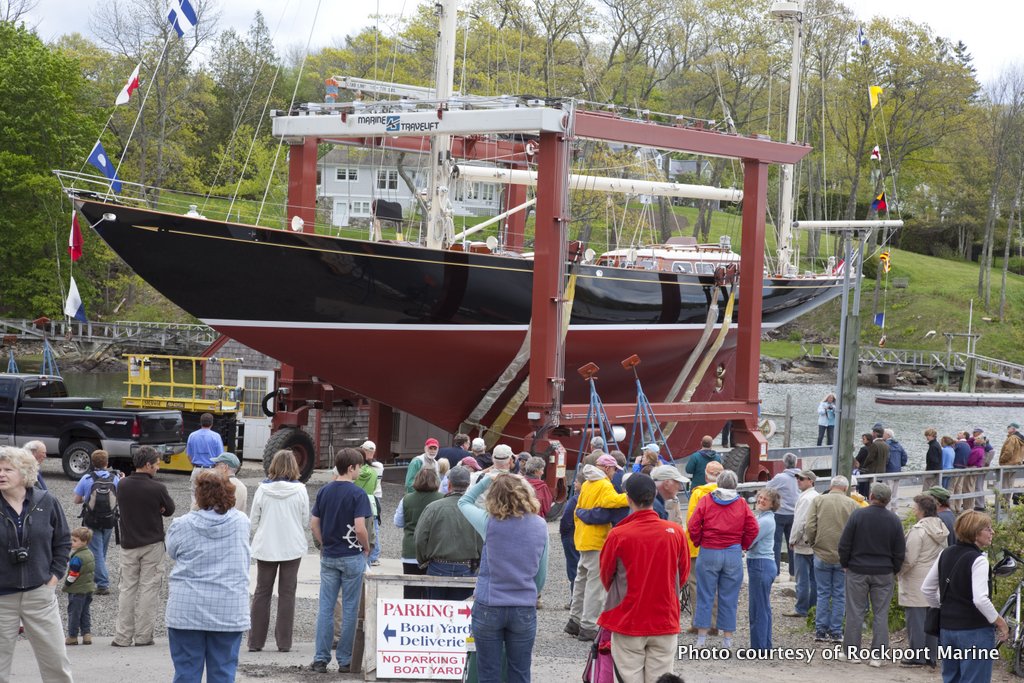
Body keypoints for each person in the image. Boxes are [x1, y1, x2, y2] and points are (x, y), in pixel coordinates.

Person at [598, 474, 690, 682]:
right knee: (661, 677)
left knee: (628, 676)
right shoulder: (675, 532)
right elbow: (682, 574)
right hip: (664, 616)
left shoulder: (619, 534)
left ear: (628, 498)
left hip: (628, 617)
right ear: (655, 494)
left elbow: (606, 575)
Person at [458, 472, 548, 683]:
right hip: (523, 605)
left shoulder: (488, 523)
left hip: (490, 603)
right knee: (520, 671)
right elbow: (541, 572)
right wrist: (531, 594)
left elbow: (464, 501)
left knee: (488, 672)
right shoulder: (540, 525)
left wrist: (487, 480)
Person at [166, 470, 251, 682]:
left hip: (187, 607)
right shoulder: (241, 522)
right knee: (223, 672)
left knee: (186, 672)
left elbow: (171, 551)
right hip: (228, 606)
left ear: (198, 495)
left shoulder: (182, 524)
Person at [0, 446, 72, 682]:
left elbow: (62, 541)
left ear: (25, 473)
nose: (1, 473)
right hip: (1, 600)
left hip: (40, 595)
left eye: (7, 469)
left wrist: (54, 577)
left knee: (56, 664)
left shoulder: (46, 501)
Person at [922, 510, 1009, 683]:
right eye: (988, 529)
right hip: (975, 630)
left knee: (951, 678)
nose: (992, 532)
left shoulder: (944, 554)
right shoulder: (979, 560)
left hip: (947, 629)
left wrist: (942, 608)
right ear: (976, 533)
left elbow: (926, 589)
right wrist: (1000, 622)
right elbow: (980, 599)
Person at [310, 448, 371, 674]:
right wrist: (365, 547)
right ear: (351, 467)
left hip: (330, 555)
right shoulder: (358, 494)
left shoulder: (325, 491)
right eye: (359, 466)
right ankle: (345, 660)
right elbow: (360, 528)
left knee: (326, 608)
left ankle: (320, 659)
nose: (361, 470)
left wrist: (324, 542)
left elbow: (314, 523)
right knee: (350, 608)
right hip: (351, 555)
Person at [687, 469, 759, 649]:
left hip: (709, 550)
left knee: (705, 594)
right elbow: (753, 528)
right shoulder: (741, 503)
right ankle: (727, 640)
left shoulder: (707, 500)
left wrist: (699, 541)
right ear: (735, 485)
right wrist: (742, 545)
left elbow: (693, 525)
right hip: (732, 551)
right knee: (729, 596)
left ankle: (701, 640)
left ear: (718, 483)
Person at [113, 445, 176, 647]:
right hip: (152, 543)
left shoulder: (122, 485)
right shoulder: (157, 488)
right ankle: (143, 636)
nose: (158, 467)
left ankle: (122, 636)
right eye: (156, 463)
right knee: (149, 589)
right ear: (148, 465)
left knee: (127, 589)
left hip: (129, 543)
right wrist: (159, 507)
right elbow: (169, 510)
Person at [247, 449, 309, 653]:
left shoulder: (262, 490)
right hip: (292, 545)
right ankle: (284, 642)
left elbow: (253, 519)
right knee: (287, 593)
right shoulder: (300, 490)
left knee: (262, 592)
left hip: (266, 545)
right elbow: (305, 520)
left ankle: (255, 641)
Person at [837, 482, 906, 666]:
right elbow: (900, 550)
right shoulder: (894, 520)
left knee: (855, 612)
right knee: (881, 614)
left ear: (871, 496)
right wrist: (894, 569)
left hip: (857, 570)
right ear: (887, 500)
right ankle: (877, 656)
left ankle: (852, 652)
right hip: (884, 572)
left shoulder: (858, 515)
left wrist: (845, 564)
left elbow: (844, 544)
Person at [565, 456, 628, 642]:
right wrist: (631, 496)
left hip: (583, 538)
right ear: (608, 469)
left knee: (581, 580)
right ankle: (589, 625)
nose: (615, 473)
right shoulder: (604, 484)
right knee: (595, 585)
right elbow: (612, 501)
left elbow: (581, 508)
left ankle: (574, 620)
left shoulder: (587, 483)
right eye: (614, 469)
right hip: (597, 540)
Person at [803, 474, 859, 643]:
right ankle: (836, 631)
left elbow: (810, 525)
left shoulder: (818, 501)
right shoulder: (853, 505)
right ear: (845, 488)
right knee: (840, 594)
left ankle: (820, 630)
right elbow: (856, 532)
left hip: (821, 552)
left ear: (831, 485)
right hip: (843, 558)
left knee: (823, 593)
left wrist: (813, 543)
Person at [415, 466, 482, 600]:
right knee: (461, 615)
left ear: (449, 484)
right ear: (468, 485)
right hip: (466, 567)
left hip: (438, 566)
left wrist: (423, 560)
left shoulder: (434, 508)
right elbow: (483, 540)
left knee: (435, 613)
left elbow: (420, 538)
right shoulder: (477, 509)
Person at [897, 494, 946, 668]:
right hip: (934, 577)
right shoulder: (941, 527)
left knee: (916, 619)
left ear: (921, 510)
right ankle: (930, 655)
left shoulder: (919, 530)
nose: (912, 509)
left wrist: (899, 572)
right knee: (931, 618)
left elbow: (910, 558)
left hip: (916, 578)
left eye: (914, 507)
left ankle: (917, 655)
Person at [72, 448, 120, 596]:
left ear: (92, 462)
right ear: (107, 463)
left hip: (92, 520)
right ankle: (99, 576)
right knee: (102, 552)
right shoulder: (115, 479)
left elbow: (76, 500)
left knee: (96, 552)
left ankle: (102, 583)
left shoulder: (86, 479)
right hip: (109, 520)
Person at [683, 460, 724, 634]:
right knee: (714, 585)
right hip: (719, 546)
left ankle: (699, 623)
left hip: (697, 546)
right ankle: (714, 623)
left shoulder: (699, 494)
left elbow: (691, 520)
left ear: (706, 475)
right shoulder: (727, 495)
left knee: (696, 584)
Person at [395, 467, 443, 599]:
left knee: (411, 592)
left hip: (411, 550)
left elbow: (398, 522)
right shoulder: (442, 498)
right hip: (435, 551)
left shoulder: (406, 499)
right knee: (431, 593)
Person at [748, 488, 779, 652]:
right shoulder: (763, 518)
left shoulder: (765, 521)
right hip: (763, 564)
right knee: (763, 607)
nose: (761, 500)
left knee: (757, 608)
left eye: (765, 499)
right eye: (760, 497)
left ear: (773, 504)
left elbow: (750, 540)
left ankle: (759, 647)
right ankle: (765, 645)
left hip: (760, 563)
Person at [785, 469, 819, 618]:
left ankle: (801, 608)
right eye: (798, 478)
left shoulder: (805, 499)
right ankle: (813, 607)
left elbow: (800, 522)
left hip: (803, 543)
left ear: (810, 481)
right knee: (814, 578)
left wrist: (792, 539)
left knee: (802, 578)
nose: (798, 480)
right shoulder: (817, 496)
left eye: (802, 479)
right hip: (814, 543)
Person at [764, 452, 800, 578]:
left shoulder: (780, 477)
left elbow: (767, 488)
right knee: (793, 544)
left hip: (780, 513)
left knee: (776, 544)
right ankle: (793, 573)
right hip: (795, 514)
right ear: (795, 462)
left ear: (784, 463)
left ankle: (777, 574)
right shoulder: (801, 476)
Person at [63, 526, 96, 646]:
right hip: (88, 588)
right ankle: (87, 634)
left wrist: (67, 583)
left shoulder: (77, 558)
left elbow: (73, 574)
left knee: (74, 613)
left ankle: (72, 636)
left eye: (74, 540)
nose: (72, 543)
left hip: (77, 589)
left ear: (84, 542)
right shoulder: (90, 554)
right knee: (85, 612)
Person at [186, 412, 224, 504]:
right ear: (212, 423)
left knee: (195, 496)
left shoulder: (192, 435)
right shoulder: (216, 436)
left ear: (200, 422)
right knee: (211, 496)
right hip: (211, 470)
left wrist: (195, 465)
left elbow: (188, 455)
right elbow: (220, 457)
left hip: (197, 469)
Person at [361, 440, 385, 565]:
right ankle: (375, 554)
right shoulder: (379, 466)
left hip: (369, 496)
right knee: (374, 525)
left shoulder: (363, 468)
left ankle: (373, 554)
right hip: (376, 497)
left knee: (369, 524)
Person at [1000, 423, 1024, 507]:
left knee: (1005, 483)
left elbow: (1008, 452)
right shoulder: (1021, 438)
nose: (1007, 429)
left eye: (1009, 427)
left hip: (1009, 464)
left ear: (1013, 429)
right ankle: (1006, 502)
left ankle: (1004, 503)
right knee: (1010, 483)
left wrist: (1002, 460)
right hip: (1016, 463)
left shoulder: (1012, 438)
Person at [884, 429, 907, 509]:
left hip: (889, 470)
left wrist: (885, 465)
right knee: (895, 492)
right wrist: (900, 465)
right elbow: (904, 456)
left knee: (888, 491)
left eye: (884, 434)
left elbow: (886, 458)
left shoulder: (886, 445)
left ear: (888, 435)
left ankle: (888, 508)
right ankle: (895, 510)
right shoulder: (898, 445)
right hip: (897, 471)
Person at [951, 431, 971, 513]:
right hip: (963, 468)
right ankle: (958, 507)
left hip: (956, 467)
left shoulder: (958, 444)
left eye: (960, 433)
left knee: (951, 487)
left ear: (964, 435)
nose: (958, 433)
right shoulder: (967, 445)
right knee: (959, 487)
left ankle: (951, 507)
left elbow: (952, 453)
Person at [967, 435, 987, 511]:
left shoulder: (977, 450)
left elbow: (971, 461)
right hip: (978, 468)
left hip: (974, 469)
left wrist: (966, 463)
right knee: (977, 486)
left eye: (978, 438)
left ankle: (978, 505)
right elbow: (970, 442)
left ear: (981, 441)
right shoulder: (979, 449)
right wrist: (973, 438)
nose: (975, 439)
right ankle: (979, 504)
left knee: (975, 486)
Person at [853, 433, 873, 497]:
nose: (862, 440)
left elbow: (858, 458)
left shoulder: (864, 449)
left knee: (862, 488)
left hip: (862, 470)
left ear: (868, 440)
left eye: (864, 439)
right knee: (868, 488)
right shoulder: (873, 448)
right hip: (871, 470)